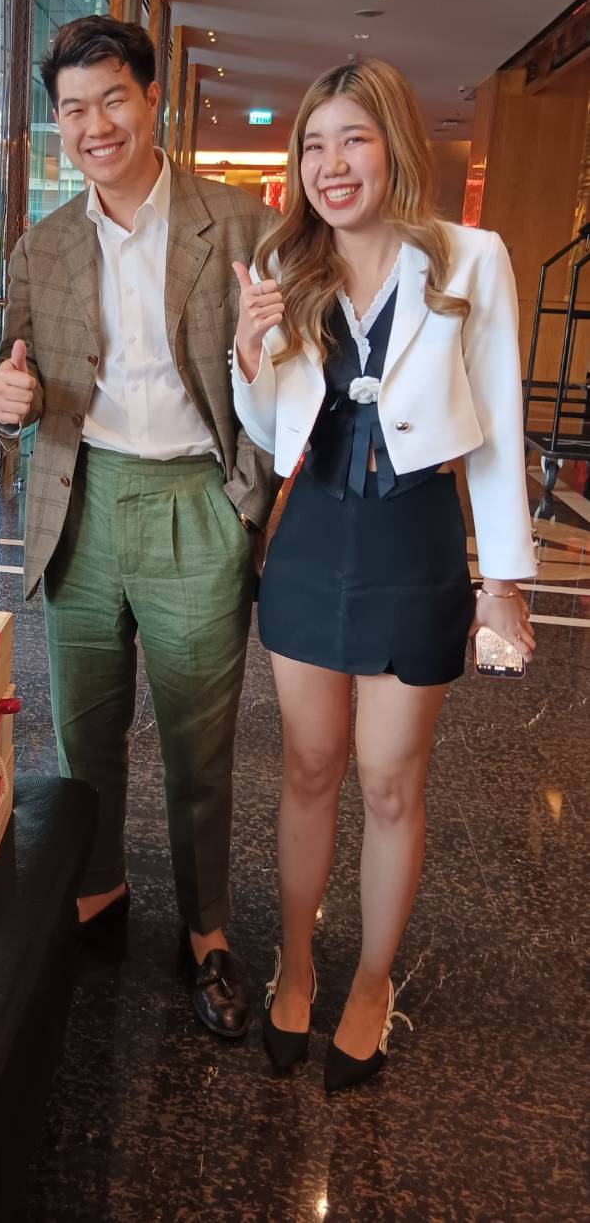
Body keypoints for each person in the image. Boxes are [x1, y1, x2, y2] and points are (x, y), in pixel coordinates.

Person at [230, 56, 535, 1092]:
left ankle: (370, 979)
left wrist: (503, 577)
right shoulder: (285, 257)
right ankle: (299, 961)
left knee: (388, 780)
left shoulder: (466, 258)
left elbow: (495, 424)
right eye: (312, 145)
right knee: (308, 769)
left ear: (393, 144)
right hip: (311, 536)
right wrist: (248, 349)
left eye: (351, 139)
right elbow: (273, 427)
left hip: (412, 543)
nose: (330, 164)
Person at [0, 15, 278, 1040]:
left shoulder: (240, 225)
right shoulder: (43, 244)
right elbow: (12, 372)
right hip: (84, 501)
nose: (94, 124)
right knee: (82, 733)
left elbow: (285, 372)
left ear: (151, 99)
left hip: (198, 497)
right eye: (72, 109)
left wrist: (248, 498)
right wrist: (2, 397)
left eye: (112, 98)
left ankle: (206, 929)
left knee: (199, 745)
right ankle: (97, 886)